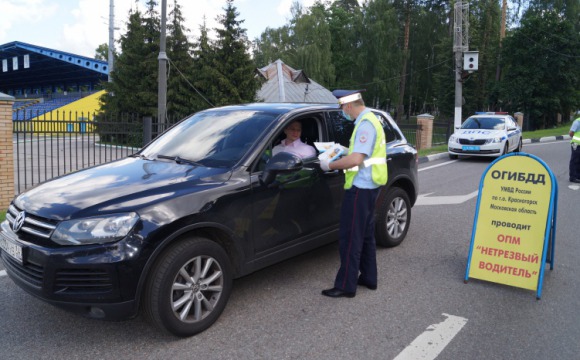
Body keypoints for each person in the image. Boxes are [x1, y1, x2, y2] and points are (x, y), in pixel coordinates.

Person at [320, 89, 388, 298]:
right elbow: (361, 154)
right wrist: (344, 149)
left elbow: (357, 160)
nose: (343, 112)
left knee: (350, 237)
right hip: (370, 186)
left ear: (348, 104)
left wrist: (329, 165)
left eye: (342, 107)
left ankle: (345, 285)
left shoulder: (365, 124)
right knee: (366, 234)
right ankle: (368, 277)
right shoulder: (371, 119)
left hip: (361, 188)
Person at [569, 116, 580, 183]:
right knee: (575, 160)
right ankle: (573, 177)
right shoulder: (577, 122)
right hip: (576, 144)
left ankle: (578, 176)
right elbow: (571, 133)